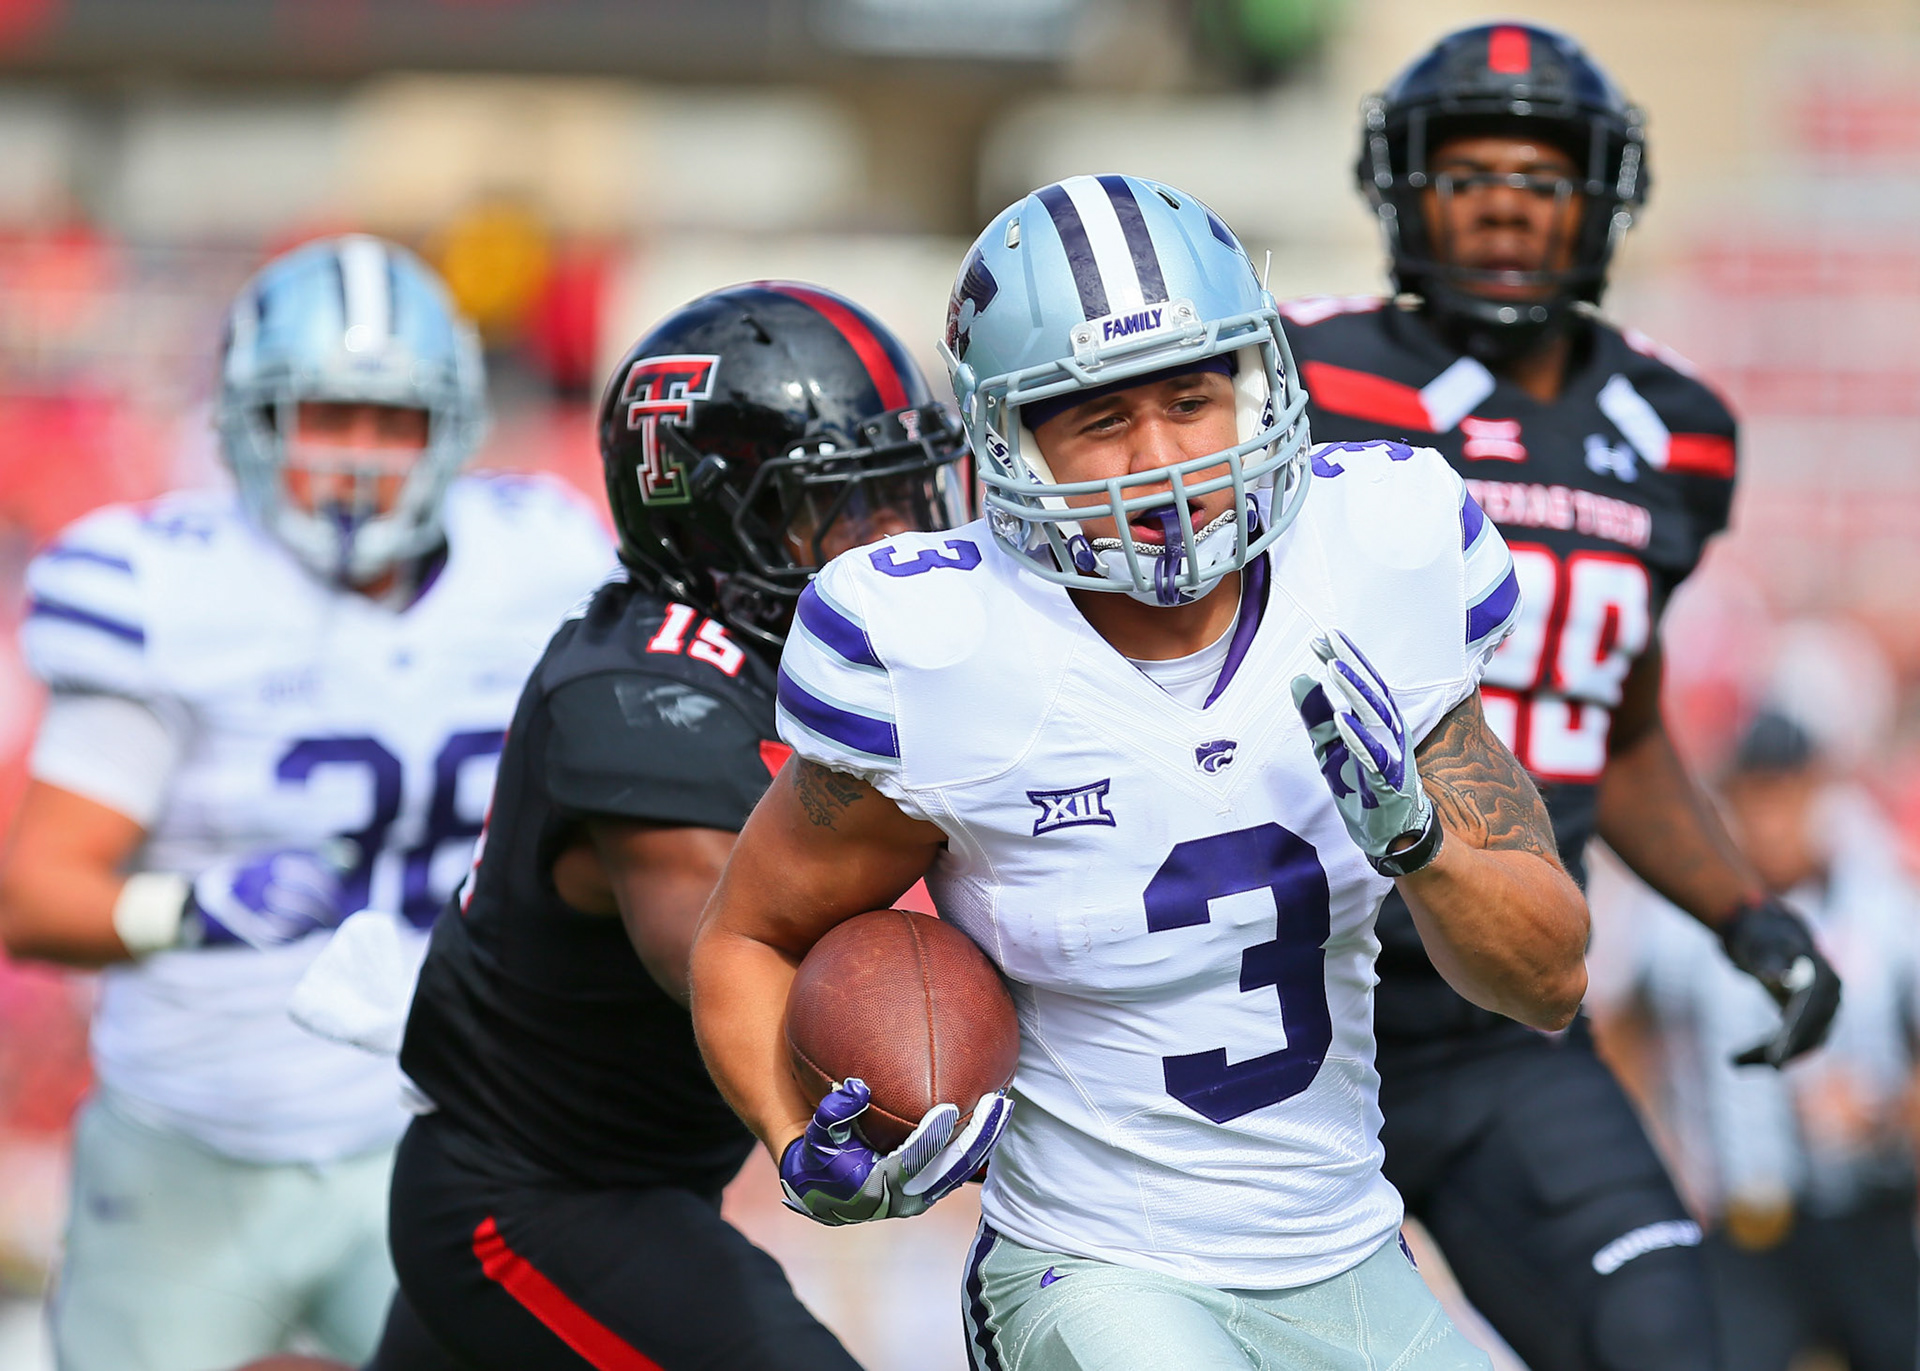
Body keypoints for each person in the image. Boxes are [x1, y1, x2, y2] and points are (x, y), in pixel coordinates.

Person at [689, 175, 1589, 1371]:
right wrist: (795, 1139)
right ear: (1011, 438)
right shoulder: (942, 650)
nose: (1162, 459)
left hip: (1348, 1251)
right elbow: (746, 937)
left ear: (1257, 384)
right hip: (1096, 1267)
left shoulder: (1380, 550)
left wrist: (1421, 842)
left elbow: (1548, 983)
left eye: (1190, 400)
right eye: (1102, 418)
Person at [1280, 23, 1843, 1371]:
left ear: (1601, 199)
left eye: (1539, 176)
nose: (1505, 204)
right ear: (1403, 189)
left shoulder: (1676, 426)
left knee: (1660, 1336)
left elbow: (1617, 722)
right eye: (1468, 171)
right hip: (1278, 1003)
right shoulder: (1297, 377)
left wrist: (1744, 912)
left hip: (1503, 1013)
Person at [0, 234, 613, 1371]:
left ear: (454, 427)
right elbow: (34, 897)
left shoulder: (536, 560)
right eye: (327, 415)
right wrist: (193, 910)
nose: (361, 457)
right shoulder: (164, 590)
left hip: (439, 1126)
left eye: (396, 420)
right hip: (191, 1141)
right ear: (249, 422)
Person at [365, 281, 973, 1371]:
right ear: (709, 517)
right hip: (530, 1198)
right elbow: (721, 946)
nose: (897, 542)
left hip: (633, 1183)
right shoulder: (636, 693)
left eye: (905, 492)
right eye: (844, 507)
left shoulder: (817, 662)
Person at [1616, 708, 1920, 1371]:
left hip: (1867, 1211)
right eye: (1758, 797)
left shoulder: (1884, 909)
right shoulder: (1686, 915)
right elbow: (1624, 1028)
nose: (1773, 821)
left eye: (1788, 795)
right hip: (1745, 1221)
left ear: (1818, 792)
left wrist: (1885, 1109)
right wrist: (1655, 1149)